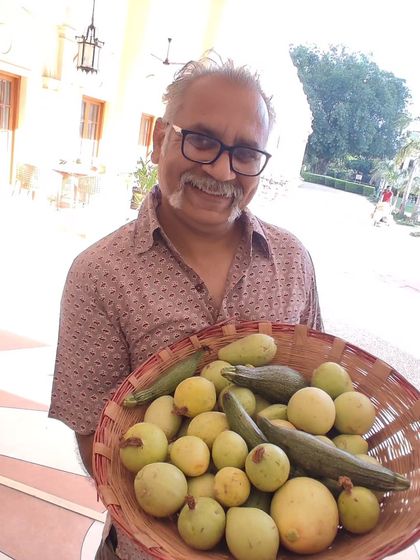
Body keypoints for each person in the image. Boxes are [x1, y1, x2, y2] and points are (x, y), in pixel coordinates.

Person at [48, 56, 323, 559]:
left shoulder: (292, 261)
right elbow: (95, 435)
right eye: (201, 140)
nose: (222, 170)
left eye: (245, 153)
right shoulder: (99, 274)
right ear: (159, 140)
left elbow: (311, 387)